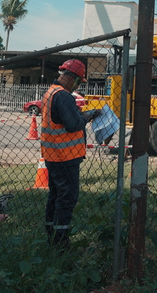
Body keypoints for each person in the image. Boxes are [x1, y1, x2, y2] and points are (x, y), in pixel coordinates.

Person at [41, 59, 101, 251]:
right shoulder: (64, 96)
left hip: (53, 155)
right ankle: (61, 241)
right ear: (72, 78)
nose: (77, 86)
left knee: (56, 195)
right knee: (67, 198)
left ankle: (51, 233)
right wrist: (89, 115)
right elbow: (73, 124)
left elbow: (64, 119)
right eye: (78, 82)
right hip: (65, 157)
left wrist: (82, 114)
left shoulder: (51, 92)